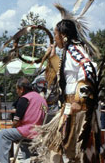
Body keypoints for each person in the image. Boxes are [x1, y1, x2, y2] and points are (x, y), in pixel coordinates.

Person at [32, 18, 103, 163]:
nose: (54, 38)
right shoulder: (68, 51)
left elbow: (88, 69)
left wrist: (79, 100)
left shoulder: (75, 49)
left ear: (63, 35)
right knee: (56, 147)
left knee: (81, 152)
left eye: (55, 34)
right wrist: (52, 57)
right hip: (68, 108)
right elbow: (65, 76)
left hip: (80, 109)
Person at [0, 77, 48, 163]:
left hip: (28, 131)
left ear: (22, 89)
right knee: (20, 139)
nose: (16, 91)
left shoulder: (24, 99)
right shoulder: (42, 99)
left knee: (3, 134)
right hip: (40, 132)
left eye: (17, 89)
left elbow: (16, 122)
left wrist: (12, 128)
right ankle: (26, 159)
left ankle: (2, 161)